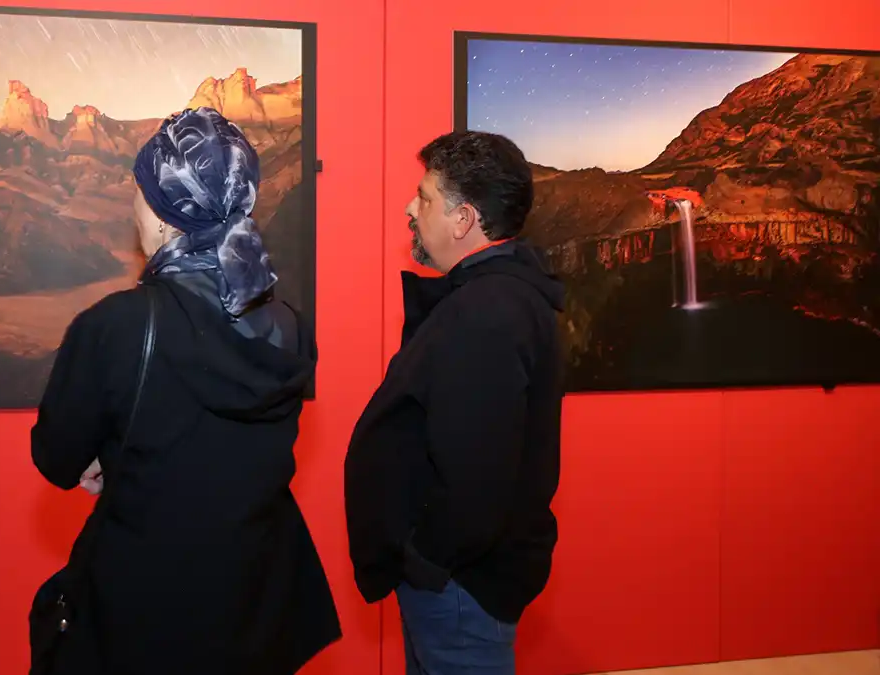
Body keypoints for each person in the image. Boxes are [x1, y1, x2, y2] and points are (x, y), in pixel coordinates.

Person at [30, 106, 340, 675]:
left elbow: (56, 458)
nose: (134, 207)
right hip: (255, 608)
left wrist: (107, 454)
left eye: (140, 191)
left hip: (143, 614)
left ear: (165, 213)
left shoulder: (116, 325)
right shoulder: (289, 325)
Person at [343, 130, 565, 675]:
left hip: (460, 587)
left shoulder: (487, 313)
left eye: (423, 197)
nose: (409, 209)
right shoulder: (497, 299)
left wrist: (426, 560)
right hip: (457, 581)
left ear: (463, 219)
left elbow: (477, 474)